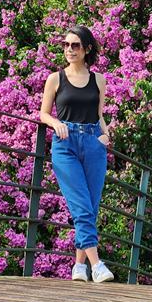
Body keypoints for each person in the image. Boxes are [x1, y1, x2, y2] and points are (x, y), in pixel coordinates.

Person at [39, 25, 115, 283]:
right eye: (66, 45)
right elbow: (43, 112)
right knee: (81, 207)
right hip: (66, 144)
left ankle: (79, 266)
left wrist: (106, 136)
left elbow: (99, 114)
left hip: (94, 143)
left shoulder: (99, 80)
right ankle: (97, 265)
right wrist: (54, 123)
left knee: (90, 209)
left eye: (75, 45)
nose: (69, 50)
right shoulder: (55, 78)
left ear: (86, 49)